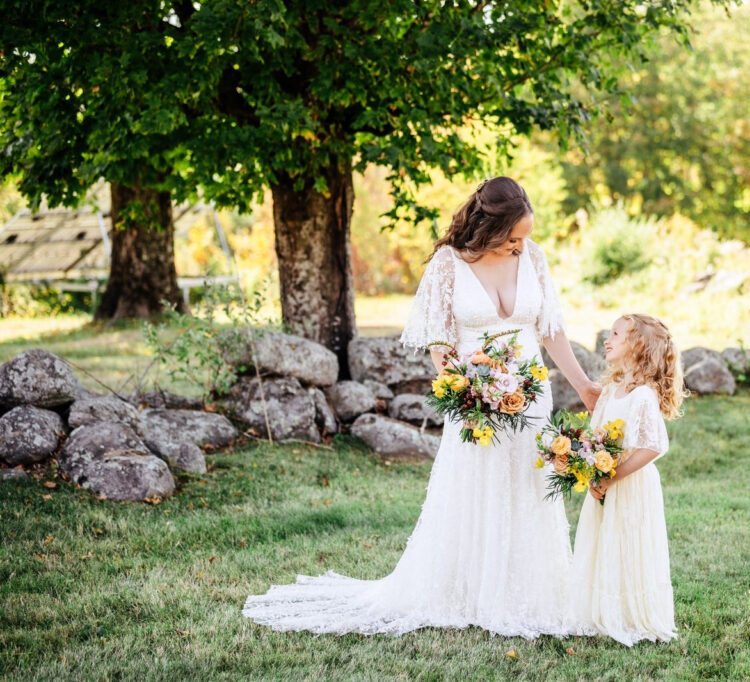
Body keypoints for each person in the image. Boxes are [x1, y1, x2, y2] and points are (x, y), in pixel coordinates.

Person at [243, 176, 601, 638]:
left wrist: (586, 387)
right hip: (475, 397)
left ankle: (529, 592)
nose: (519, 246)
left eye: (523, 238)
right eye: (511, 237)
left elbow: (550, 332)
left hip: (530, 396)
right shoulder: (447, 266)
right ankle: (466, 591)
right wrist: (471, 393)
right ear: (488, 226)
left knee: (527, 487)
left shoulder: (533, 258)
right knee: (476, 489)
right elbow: (440, 344)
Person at [571, 313, 686, 646]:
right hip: (608, 483)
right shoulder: (612, 389)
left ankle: (631, 614)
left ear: (638, 345)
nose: (608, 340)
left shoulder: (643, 396)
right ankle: (603, 609)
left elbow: (653, 445)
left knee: (628, 544)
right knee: (607, 542)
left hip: (631, 486)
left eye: (616, 334)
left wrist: (612, 477)